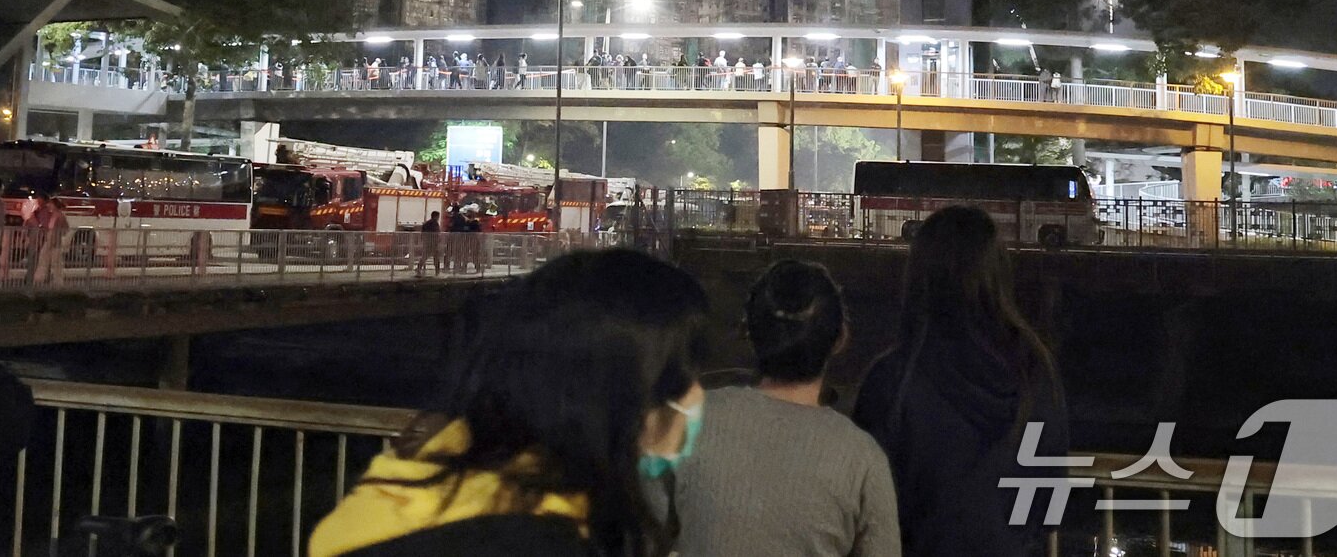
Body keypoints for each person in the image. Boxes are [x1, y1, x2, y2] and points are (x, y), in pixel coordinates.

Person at [309, 248, 710, 557]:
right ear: (622, 394)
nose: (697, 395)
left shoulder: (416, 485)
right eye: (686, 375)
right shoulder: (538, 540)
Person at [853, 205, 1068, 557]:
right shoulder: (1035, 372)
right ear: (998, 274)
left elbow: (866, 504)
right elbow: (1049, 500)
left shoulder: (892, 378)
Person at [674, 260, 899, 557]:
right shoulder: (862, 458)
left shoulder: (691, 420)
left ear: (749, 331)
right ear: (840, 339)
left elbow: (645, 530)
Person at [414, 210, 442, 278]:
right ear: (436, 216)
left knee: (425, 256)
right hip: (433, 243)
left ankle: (418, 268)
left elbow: (423, 233)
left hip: (427, 242)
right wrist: (438, 239)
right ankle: (437, 272)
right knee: (436, 258)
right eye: (438, 216)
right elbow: (436, 232)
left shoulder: (426, 223)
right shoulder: (435, 223)